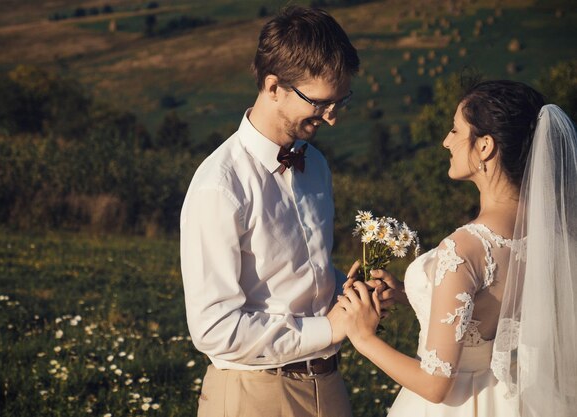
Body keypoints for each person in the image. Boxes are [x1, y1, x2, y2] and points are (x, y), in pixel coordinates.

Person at [180, 6, 382, 417]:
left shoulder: (316, 165)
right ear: (274, 87)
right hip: (253, 393)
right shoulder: (220, 186)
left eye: (341, 101)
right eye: (322, 103)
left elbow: (301, 277)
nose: (333, 117)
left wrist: (354, 293)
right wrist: (329, 328)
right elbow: (214, 328)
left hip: (329, 385)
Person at [336, 80, 577, 416]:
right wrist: (411, 296)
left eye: (455, 130)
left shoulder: (465, 248)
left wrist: (362, 337)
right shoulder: (556, 237)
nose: (445, 141)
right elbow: (495, 311)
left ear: (485, 147)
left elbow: (435, 386)